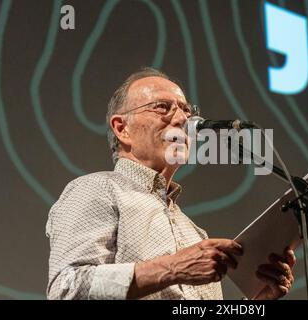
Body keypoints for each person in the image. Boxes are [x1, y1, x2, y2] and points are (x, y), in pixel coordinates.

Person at [46, 67, 295, 300]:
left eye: (186, 110)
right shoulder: (97, 189)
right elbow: (66, 287)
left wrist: (256, 302)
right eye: (162, 107)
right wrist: (173, 267)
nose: (181, 119)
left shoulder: (195, 234)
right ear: (122, 128)